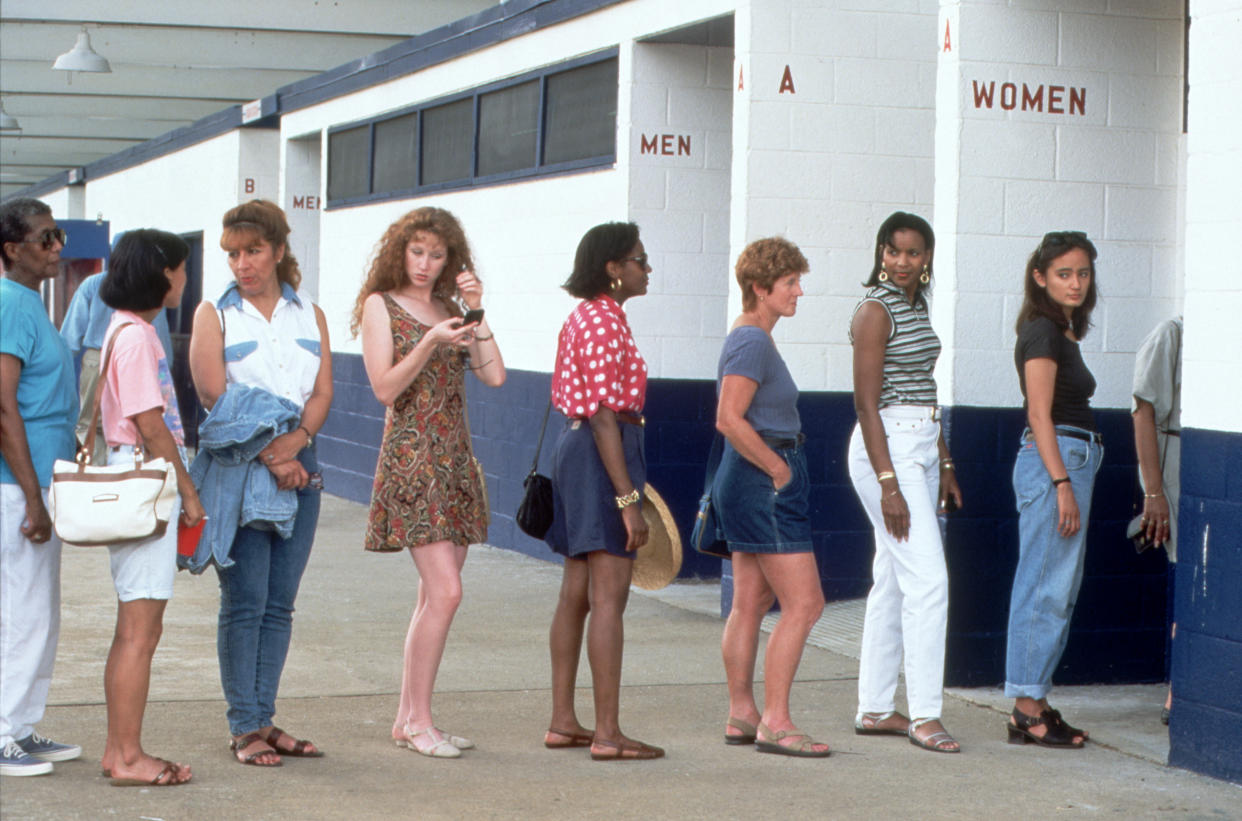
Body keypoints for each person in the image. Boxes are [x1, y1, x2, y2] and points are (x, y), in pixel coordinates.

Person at [354, 207, 504, 759]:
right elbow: (385, 388)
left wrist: (477, 311)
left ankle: (407, 718)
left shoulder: (451, 308)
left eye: (436, 254)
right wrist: (430, 342)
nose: (425, 263)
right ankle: (420, 721)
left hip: (454, 457)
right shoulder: (381, 305)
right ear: (401, 251)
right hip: (413, 456)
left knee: (431, 596)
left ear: (451, 259)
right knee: (446, 592)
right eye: (417, 252)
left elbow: (495, 374)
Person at [188, 200, 332, 767]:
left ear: (277, 249)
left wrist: (296, 445)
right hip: (241, 467)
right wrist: (274, 455)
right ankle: (243, 726)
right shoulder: (214, 314)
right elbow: (213, 399)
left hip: (301, 462)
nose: (241, 264)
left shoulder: (309, 314)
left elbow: (322, 394)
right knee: (244, 601)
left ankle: (265, 718)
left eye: (252, 251)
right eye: (232, 254)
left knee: (280, 604)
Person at [543, 222, 663, 761]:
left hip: (584, 455)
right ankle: (608, 733)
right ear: (613, 269)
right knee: (608, 596)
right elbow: (605, 417)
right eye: (639, 259)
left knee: (577, 590)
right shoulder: (601, 322)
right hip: (601, 456)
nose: (647, 267)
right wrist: (627, 502)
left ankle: (565, 721)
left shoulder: (594, 318)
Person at [847, 213, 962, 754]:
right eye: (893, 251)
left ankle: (874, 707)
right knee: (930, 580)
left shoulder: (916, 305)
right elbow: (867, 404)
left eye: (913, 253)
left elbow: (923, 386)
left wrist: (944, 461)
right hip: (884, 449)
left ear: (927, 258)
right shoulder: (875, 310)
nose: (901, 262)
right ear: (880, 252)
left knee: (894, 578)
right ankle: (925, 715)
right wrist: (890, 483)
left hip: (918, 442)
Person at [713, 236, 829, 759]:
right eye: (790, 283)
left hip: (750, 476)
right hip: (764, 476)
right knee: (805, 603)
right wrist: (780, 469)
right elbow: (728, 418)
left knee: (752, 602)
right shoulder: (752, 340)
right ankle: (776, 722)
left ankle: (743, 713)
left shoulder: (752, 336)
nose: (799, 292)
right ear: (760, 288)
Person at [96, 229, 205, 786]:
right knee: (142, 629)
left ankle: (120, 751)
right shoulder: (138, 336)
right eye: (181, 269)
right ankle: (131, 757)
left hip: (133, 474)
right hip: (145, 481)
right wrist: (187, 491)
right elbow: (148, 422)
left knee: (132, 628)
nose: (185, 279)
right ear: (161, 272)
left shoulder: (125, 328)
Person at [1005, 230, 1103, 749]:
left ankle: (1034, 699)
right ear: (1040, 277)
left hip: (1070, 458)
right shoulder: (1042, 331)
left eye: (1083, 273)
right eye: (1064, 273)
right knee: (1044, 584)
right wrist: (1061, 482)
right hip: (1056, 461)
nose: (1076, 283)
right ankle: (1025, 705)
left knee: (1057, 585)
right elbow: (1038, 413)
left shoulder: (1061, 330)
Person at [0, 199, 81, 777]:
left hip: (42, 482)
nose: (57, 247)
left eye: (58, 236)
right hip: (15, 488)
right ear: (12, 248)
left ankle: (22, 727)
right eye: (46, 238)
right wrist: (32, 496)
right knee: (21, 613)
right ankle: (3, 731)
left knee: (40, 613)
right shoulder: (9, 305)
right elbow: (3, 409)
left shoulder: (32, 304)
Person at [60, 270, 174, 467]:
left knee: (90, 426)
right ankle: (123, 474)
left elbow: (71, 335)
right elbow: (160, 335)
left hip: (97, 357)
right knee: (132, 427)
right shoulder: (149, 283)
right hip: (138, 357)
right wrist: (163, 370)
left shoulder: (93, 283)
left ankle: (93, 476)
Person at [1131, 317, 1182, 724]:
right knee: (1186, 574)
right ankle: (1177, 689)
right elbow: (1142, 413)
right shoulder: (1170, 334)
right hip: (1175, 465)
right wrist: (1154, 491)